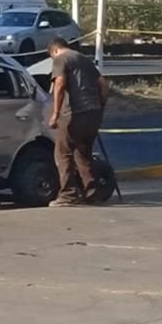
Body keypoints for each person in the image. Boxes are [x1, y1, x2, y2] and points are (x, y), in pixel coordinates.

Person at [47, 37, 110, 206]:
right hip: (93, 112)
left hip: (74, 113)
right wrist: (99, 106)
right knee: (83, 153)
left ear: (54, 51)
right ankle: (92, 192)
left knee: (63, 153)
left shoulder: (61, 59)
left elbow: (59, 84)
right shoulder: (83, 59)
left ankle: (68, 195)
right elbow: (103, 84)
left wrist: (55, 114)